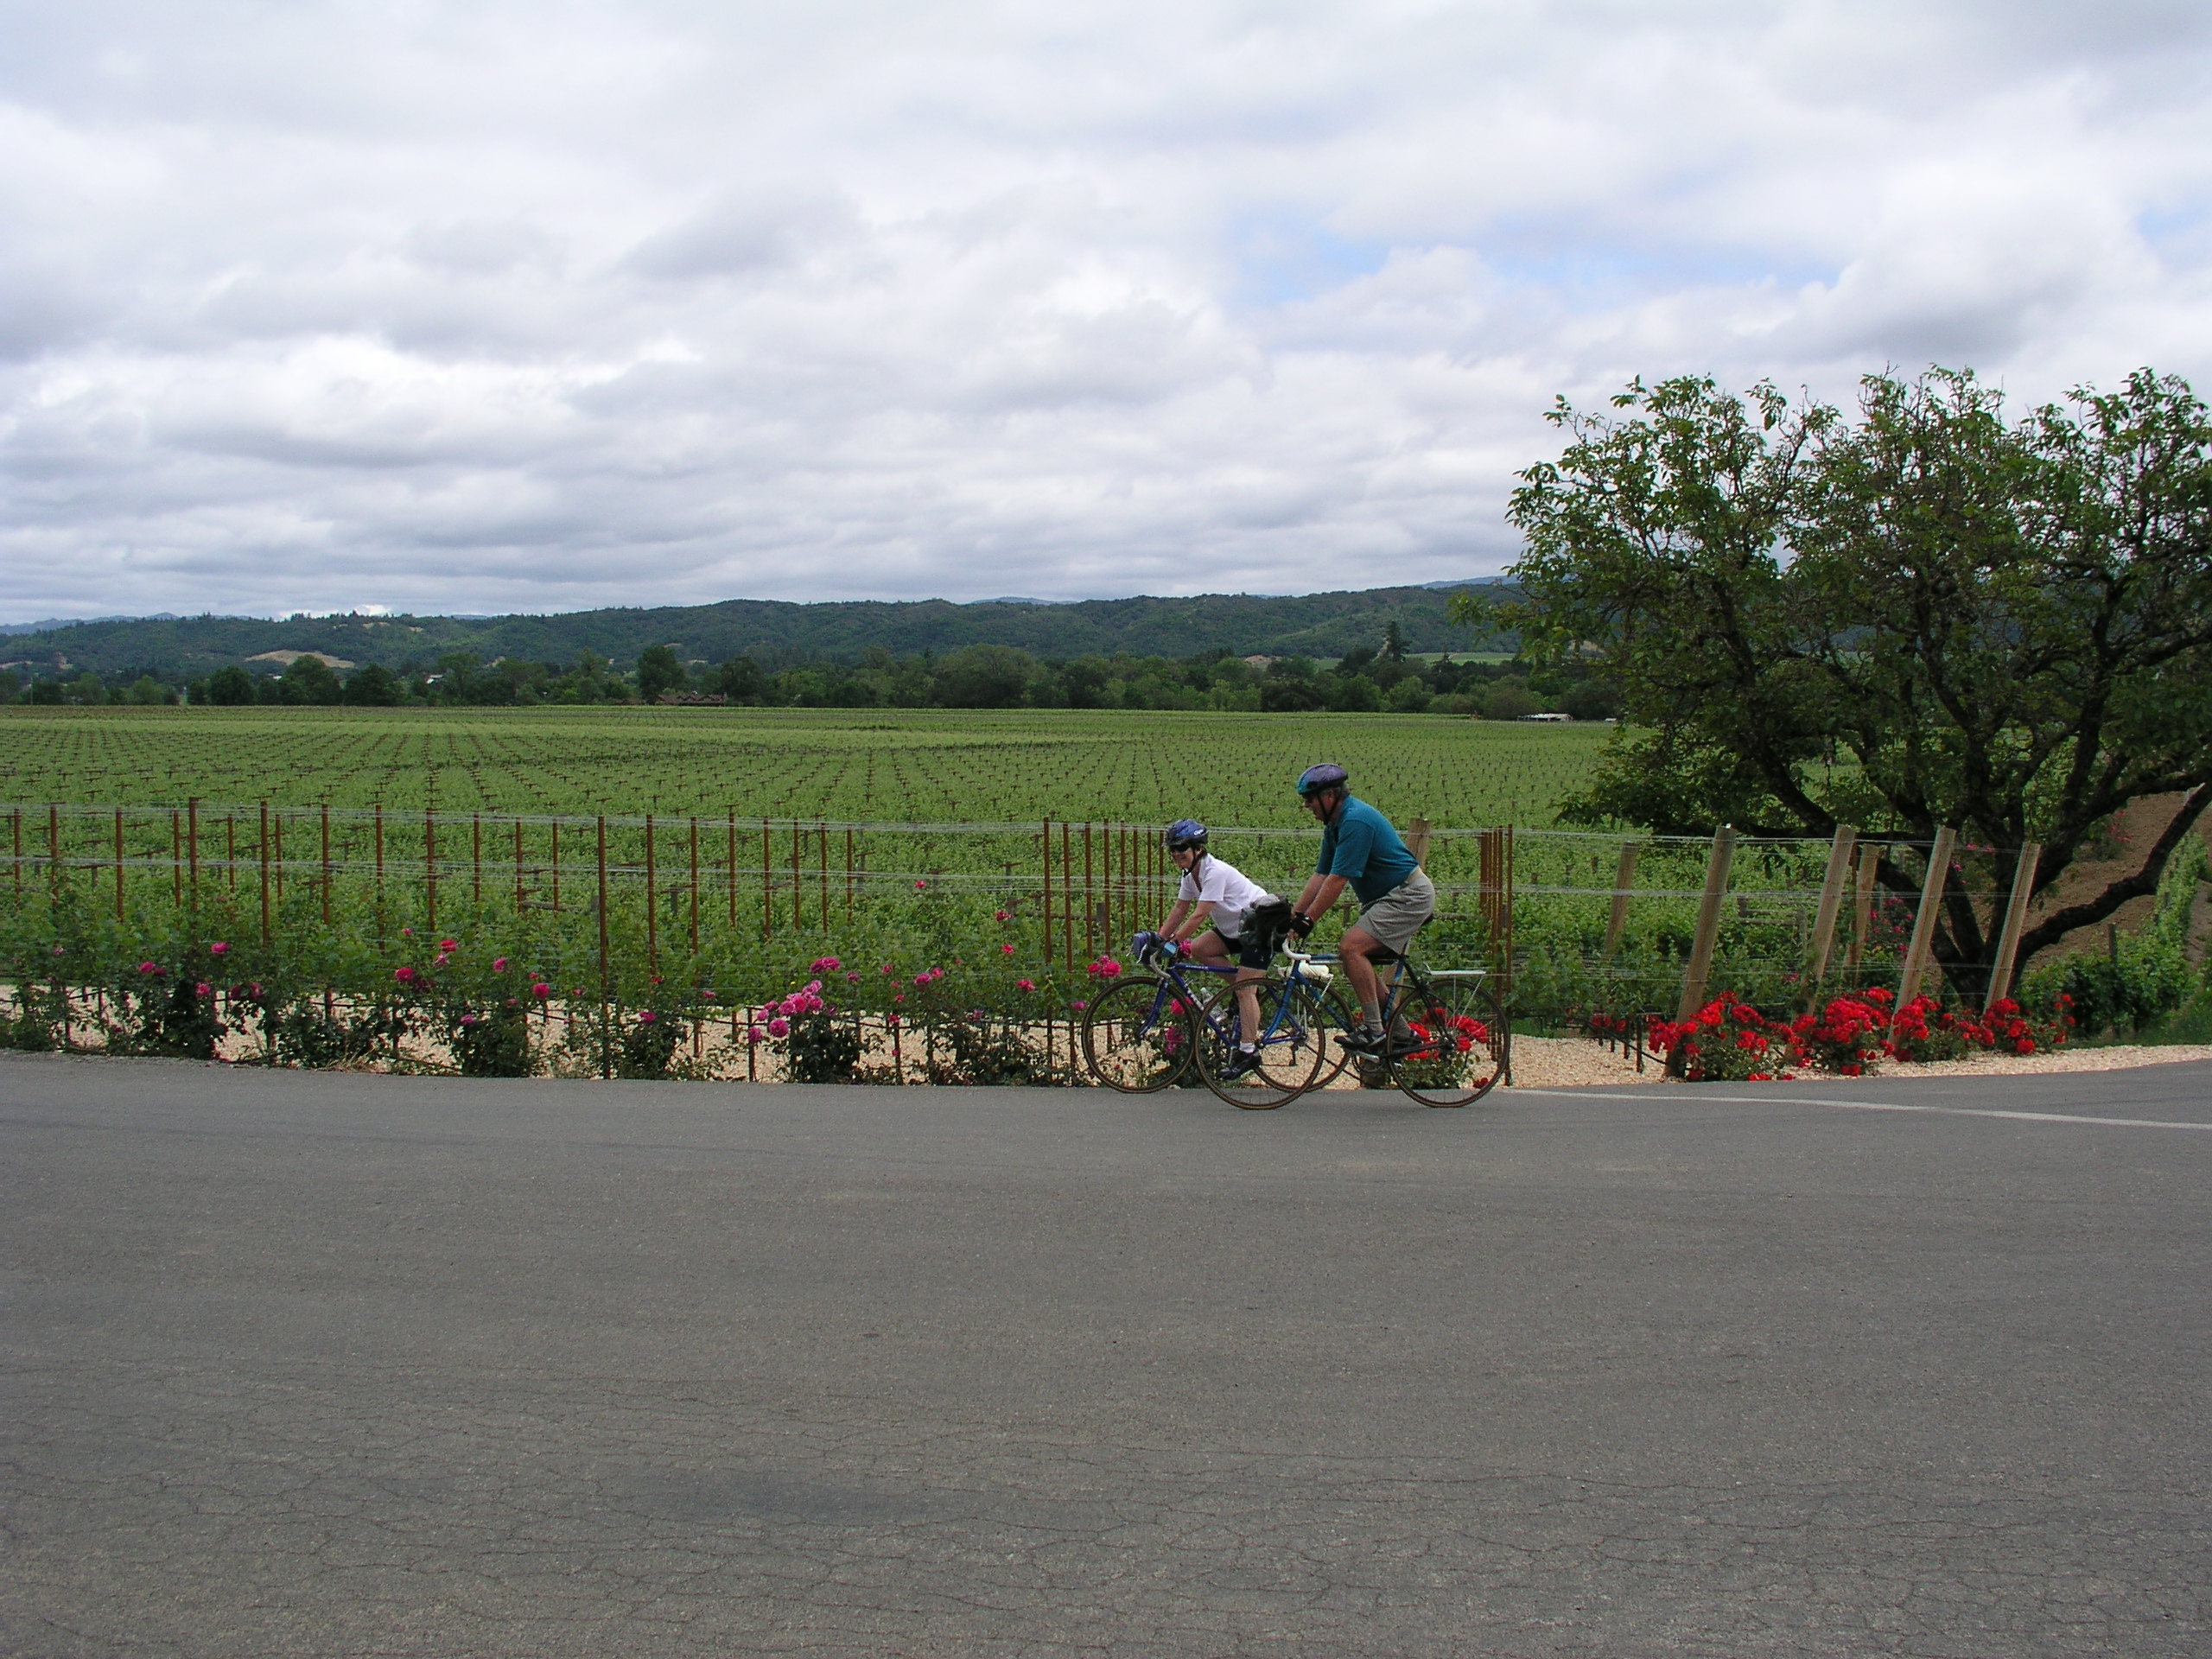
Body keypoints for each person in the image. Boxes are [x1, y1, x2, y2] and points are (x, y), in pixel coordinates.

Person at [1286, 763, 1435, 1056]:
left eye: (1310, 798)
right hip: (1387, 898)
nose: (1306, 806)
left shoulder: (1355, 821)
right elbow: (1320, 876)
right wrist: (1294, 916)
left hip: (1407, 895)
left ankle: (1374, 1030)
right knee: (1357, 958)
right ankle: (1402, 1033)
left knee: (1351, 948)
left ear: (1329, 796)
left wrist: (1308, 921)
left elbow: (1338, 880)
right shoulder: (1335, 825)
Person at [1135, 819, 1294, 1080]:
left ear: (1198, 849)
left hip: (1259, 927)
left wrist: (1170, 943)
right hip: (1236, 928)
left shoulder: (1214, 872)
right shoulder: (1190, 874)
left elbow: (1199, 915)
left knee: (1243, 989)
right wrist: (1158, 938)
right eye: (1172, 850)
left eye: (1181, 849)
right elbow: (1180, 909)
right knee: (1200, 949)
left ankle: (1248, 1051)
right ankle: (1246, 992)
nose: (1176, 855)